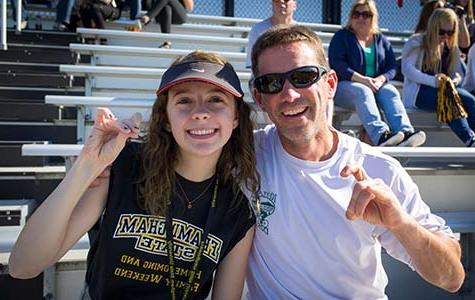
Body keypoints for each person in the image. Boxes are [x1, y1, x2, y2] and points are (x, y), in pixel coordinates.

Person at [8, 51, 260, 299]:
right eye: (184, 101)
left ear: (236, 117)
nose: (200, 112)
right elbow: (23, 266)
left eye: (216, 99)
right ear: (166, 120)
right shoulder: (125, 166)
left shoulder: (237, 212)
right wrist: (86, 166)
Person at [247, 24, 465, 298]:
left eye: (303, 76)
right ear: (259, 98)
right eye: (272, 83)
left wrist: (400, 223)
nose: (289, 94)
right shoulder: (245, 155)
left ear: (330, 85)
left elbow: (452, 277)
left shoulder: (378, 169)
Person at [329, 0, 426, 147]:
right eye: (356, 14)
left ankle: (406, 133)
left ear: (373, 17)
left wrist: (381, 79)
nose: (361, 18)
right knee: (363, 90)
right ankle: (381, 136)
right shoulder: (342, 36)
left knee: (390, 90)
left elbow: (392, 66)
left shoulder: (380, 39)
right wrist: (363, 80)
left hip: (374, 85)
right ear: (351, 17)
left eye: (365, 14)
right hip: (345, 88)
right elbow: (338, 64)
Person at [402, 8, 475, 146]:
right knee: (447, 96)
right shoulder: (418, 41)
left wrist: (454, 81)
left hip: (445, 88)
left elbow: (458, 73)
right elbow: (407, 69)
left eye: (450, 32)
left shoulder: (451, 46)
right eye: (441, 32)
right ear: (433, 27)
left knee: (469, 99)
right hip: (420, 93)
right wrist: (433, 80)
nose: (446, 36)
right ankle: (469, 138)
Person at [245, 0, 297, 69]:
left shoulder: (301, 31)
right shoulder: (258, 29)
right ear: (272, 5)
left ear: (295, 5)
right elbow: (253, 64)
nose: (281, 2)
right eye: (276, 0)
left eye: (286, 0)